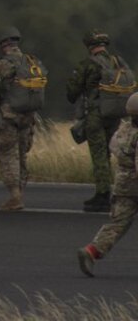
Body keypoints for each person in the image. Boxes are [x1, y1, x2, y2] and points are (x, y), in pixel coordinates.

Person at [0, 27, 45, 212]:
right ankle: (20, 193)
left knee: (8, 156)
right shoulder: (32, 62)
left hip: (7, 117)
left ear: (3, 45)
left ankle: (14, 196)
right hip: (28, 117)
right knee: (22, 155)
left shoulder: (3, 64)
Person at [67, 30, 134, 213]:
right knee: (114, 153)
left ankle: (103, 194)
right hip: (116, 114)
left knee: (99, 155)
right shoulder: (118, 61)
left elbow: (72, 92)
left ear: (90, 46)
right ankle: (120, 192)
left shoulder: (89, 64)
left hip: (96, 115)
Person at [78, 93, 138, 276]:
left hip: (123, 184)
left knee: (118, 223)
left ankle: (92, 251)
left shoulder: (124, 130)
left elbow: (113, 149)